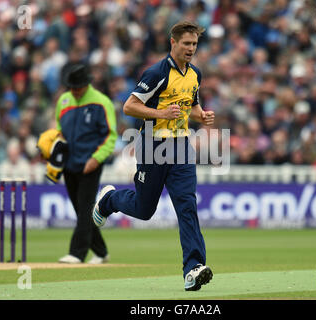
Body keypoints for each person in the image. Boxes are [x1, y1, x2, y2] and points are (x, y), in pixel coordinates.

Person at [92, 21, 215, 291]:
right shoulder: (156, 73)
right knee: (145, 209)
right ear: (173, 43)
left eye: (194, 44)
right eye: (186, 44)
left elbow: (190, 107)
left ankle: (193, 268)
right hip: (153, 146)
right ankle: (109, 200)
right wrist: (161, 114)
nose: (191, 49)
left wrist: (201, 116)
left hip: (181, 146)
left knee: (187, 206)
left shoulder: (194, 74)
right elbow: (129, 106)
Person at [55, 63, 118, 264]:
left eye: (78, 87)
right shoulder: (64, 101)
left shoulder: (101, 102)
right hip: (68, 164)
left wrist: (96, 159)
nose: (74, 91)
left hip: (90, 163)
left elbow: (110, 136)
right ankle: (101, 252)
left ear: (86, 84)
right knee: (82, 210)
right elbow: (59, 131)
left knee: (84, 207)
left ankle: (77, 253)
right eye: (71, 87)